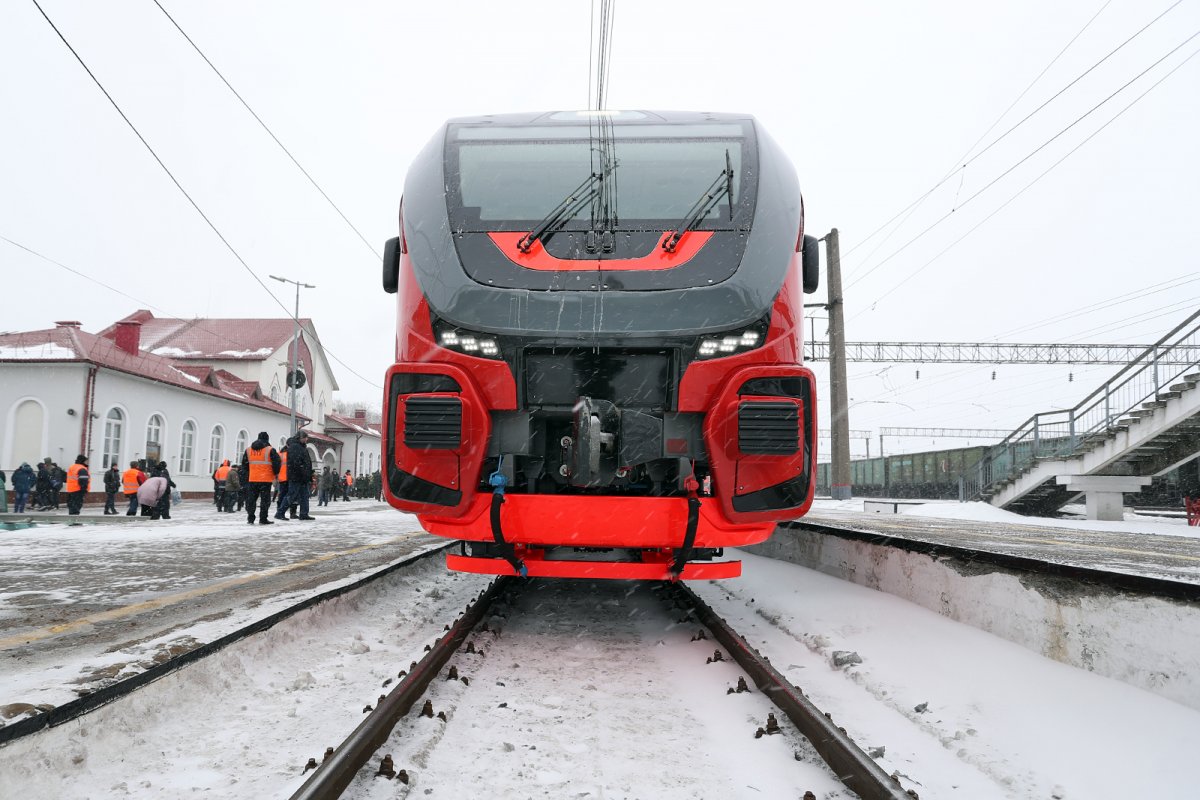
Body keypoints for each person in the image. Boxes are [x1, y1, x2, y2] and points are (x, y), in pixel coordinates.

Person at [240, 431, 280, 525]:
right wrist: (275, 474)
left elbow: (244, 465)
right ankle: (263, 518)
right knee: (265, 500)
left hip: (252, 478)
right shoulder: (270, 450)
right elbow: (277, 463)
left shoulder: (248, 450)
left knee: (251, 499)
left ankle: (250, 518)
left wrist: (248, 474)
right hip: (265, 479)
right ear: (267, 439)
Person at [284, 429, 315, 521]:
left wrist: (308, 473)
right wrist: (303, 472)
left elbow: (304, 462)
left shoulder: (302, 447)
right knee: (292, 495)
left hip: (301, 476)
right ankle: (281, 512)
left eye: (307, 438)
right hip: (296, 476)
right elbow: (296, 463)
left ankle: (303, 514)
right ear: (299, 438)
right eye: (305, 438)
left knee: (304, 496)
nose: (306, 440)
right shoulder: (296, 447)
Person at [273, 441, 292, 520]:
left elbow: (276, 465)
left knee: (282, 495)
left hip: (281, 478)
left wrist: (276, 476)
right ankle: (281, 512)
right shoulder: (290, 454)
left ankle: (279, 511)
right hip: (288, 477)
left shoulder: (279, 453)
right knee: (287, 496)